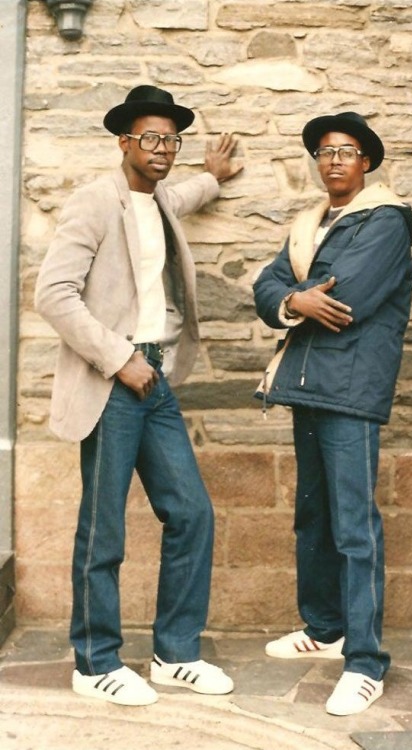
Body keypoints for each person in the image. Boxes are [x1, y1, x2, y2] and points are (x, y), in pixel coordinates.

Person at [35, 85, 242, 706]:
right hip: (114, 381)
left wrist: (213, 175)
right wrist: (118, 358)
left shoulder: (161, 201)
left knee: (192, 512)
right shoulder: (95, 203)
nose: (161, 149)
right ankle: (95, 661)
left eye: (170, 140)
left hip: (157, 382)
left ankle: (174, 653)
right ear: (123, 141)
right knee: (104, 529)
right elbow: (53, 294)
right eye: (149, 138)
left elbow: (181, 192)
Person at [253, 112, 412, 716]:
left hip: (350, 388)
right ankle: (325, 629)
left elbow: (347, 297)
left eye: (346, 151)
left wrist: (297, 294)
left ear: (367, 162)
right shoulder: (309, 223)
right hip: (306, 385)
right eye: (324, 152)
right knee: (312, 516)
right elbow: (267, 287)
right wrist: (295, 297)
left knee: (353, 526)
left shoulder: (388, 221)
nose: (334, 161)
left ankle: (366, 662)